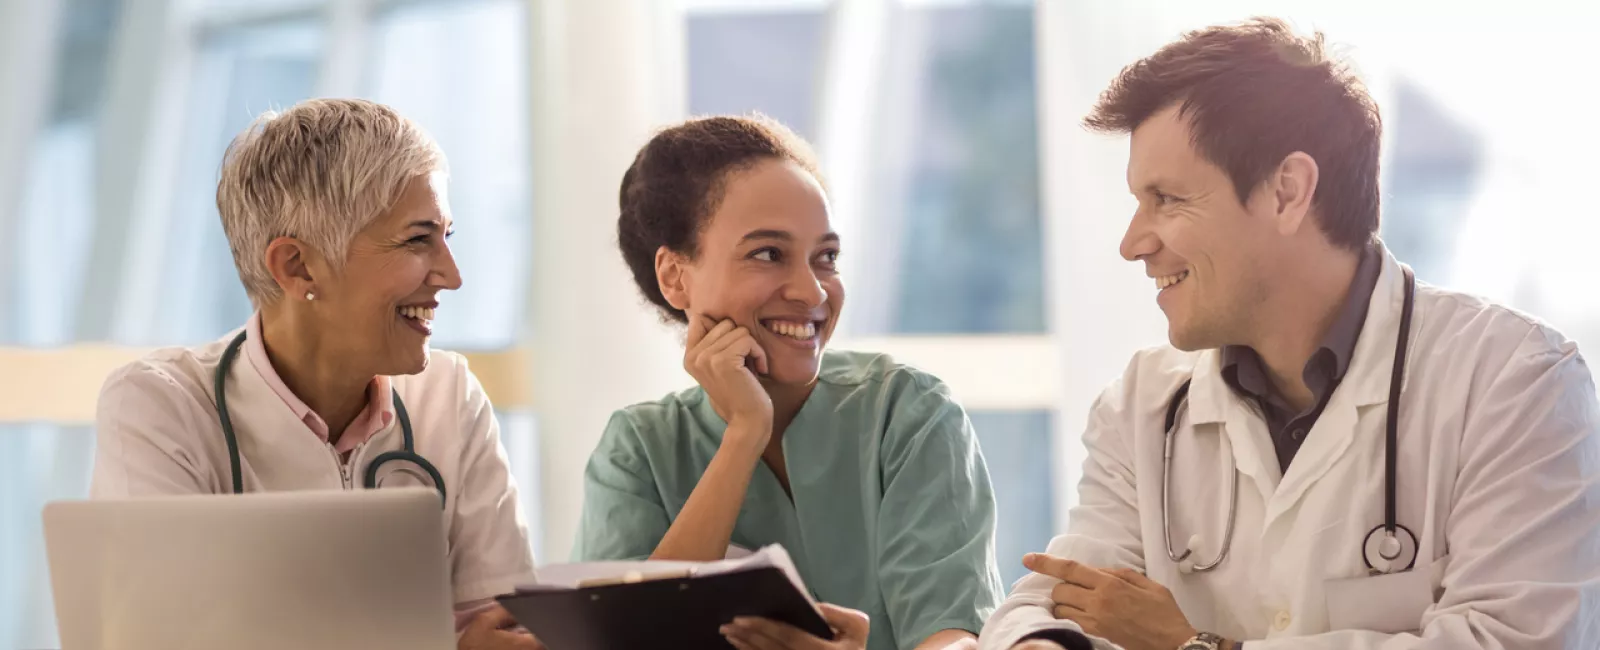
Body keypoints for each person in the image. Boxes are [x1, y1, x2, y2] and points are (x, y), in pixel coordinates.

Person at [980, 17, 1600, 650]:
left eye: (1167, 199)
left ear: (1287, 191)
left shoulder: (1518, 384)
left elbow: (1514, 642)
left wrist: (1198, 648)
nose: (1133, 243)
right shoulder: (1143, 406)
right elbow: (1057, 601)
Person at [90, 98, 544, 650]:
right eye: (418, 239)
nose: (451, 275)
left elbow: (505, 632)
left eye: (447, 236)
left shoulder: (448, 398)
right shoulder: (161, 408)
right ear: (297, 266)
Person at [574, 114, 1006, 650]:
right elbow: (630, 642)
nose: (812, 292)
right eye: (768, 254)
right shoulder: (636, 451)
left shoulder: (908, 413)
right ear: (675, 277)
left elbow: (955, 635)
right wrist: (744, 433)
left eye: (825, 257)